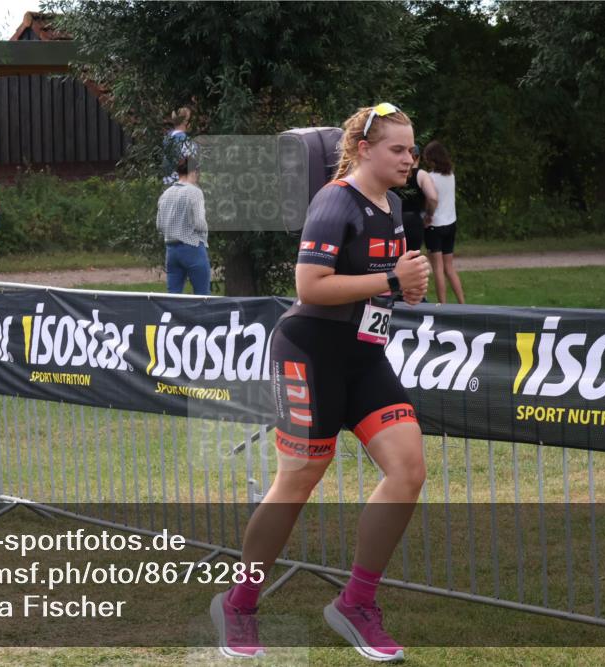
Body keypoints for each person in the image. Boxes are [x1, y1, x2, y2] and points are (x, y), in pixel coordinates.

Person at [210, 103, 430, 661]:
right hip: (309, 353)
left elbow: (382, 284)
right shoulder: (335, 200)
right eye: (398, 149)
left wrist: (406, 287)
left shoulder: (397, 205)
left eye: (411, 148)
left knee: (407, 469)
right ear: (364, 150)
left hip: (364, 356)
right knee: (300, 480)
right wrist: (389, 276)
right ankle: (239, 604)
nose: (410, 158)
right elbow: (310, 286)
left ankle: (356, 604)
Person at [155, 152, 210, 294]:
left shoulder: (166, 194)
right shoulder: (195, 192)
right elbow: (199, 223)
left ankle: (172, 317)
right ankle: (201, 317)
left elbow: (159, 225)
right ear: (194, 171)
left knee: (173, 296)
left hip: (171, 250)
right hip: (192, 247)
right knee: (202, 296)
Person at [422, 141, 464, 304]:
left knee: (438, 268)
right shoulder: (450, 175)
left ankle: (443, 306)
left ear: (432, 159)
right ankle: (462, 303)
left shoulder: (430, 178)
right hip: (451, 224)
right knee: (449, 267)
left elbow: (431, 200)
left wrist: (427, 215)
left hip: (435, 225)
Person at [396, 144, 438, 253]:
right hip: (413, 220)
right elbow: (433, 197)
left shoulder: (394, 173)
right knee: (412, 256)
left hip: (394, 219)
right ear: (418, 157)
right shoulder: (421, 175)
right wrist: (429, 214)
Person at [161, 107, 192, 186]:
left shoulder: (168, 137)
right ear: (185, 122)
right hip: (180, 181)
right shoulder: (183, 139)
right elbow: (186, 160)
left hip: (167, 179)